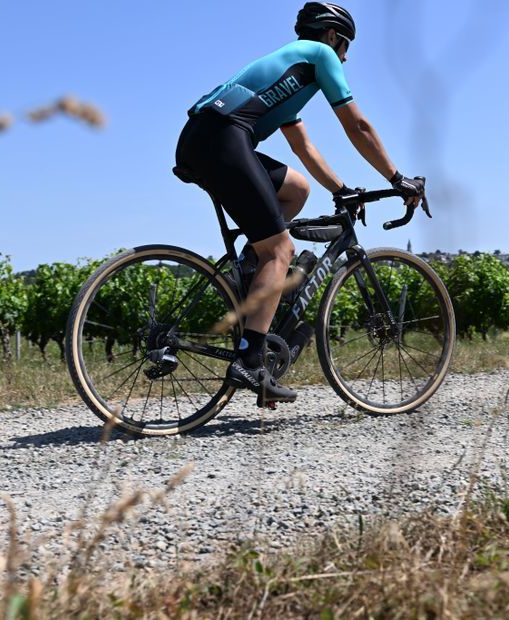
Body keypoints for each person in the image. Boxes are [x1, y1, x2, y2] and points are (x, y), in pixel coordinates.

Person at [175, 2, 425, 405]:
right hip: (224, 138)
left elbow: (304, 147)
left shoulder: (291, 77)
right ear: (331, 35)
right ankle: (250, 361)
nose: (346, 56)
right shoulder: (321, 55)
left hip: (204, 138)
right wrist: (397, 178)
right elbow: (357, 126)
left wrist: (342, 189)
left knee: (297, 189)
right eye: (345, 45)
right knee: (282, 249)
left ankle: (250, 271)